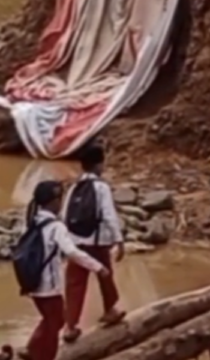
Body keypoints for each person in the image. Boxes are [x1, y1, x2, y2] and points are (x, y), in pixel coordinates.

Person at [13, 181, 108, 360]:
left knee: (52, 320)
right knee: (55, 322)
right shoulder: (56, 227)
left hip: (31, 282)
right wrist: (98, 267)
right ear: (54, 201)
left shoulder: (30, 221)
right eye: (60, 199)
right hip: (49, 284)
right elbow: (71, 252)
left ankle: (31, 350)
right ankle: (44, 355)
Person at [61, 145, 125, 343]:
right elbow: (108, 215)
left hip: (76, 243)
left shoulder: (73, 188)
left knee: (74, 285)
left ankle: (70, 326)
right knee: (105, 276)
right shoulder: (101, 187)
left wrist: (67, 244)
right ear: (99, 164)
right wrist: (119, 240)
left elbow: (64, 216)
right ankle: (110, 310)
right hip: (96, 242)